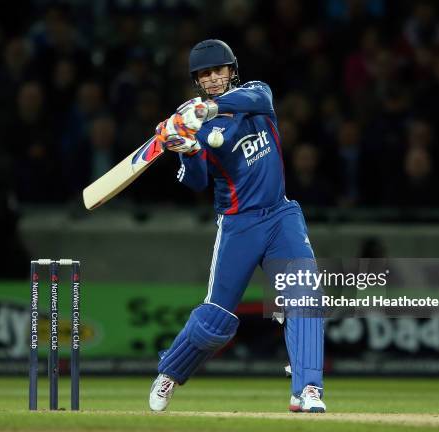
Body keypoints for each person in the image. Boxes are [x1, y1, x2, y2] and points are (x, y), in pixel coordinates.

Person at [148, 39, 326, 413]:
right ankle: (169, 371)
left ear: (231, 71)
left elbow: (257, 101)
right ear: (197, 79)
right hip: (238, 225)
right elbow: (196, 182)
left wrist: (207, 109)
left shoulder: (255, 94)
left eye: (218, 71)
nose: (212, 79)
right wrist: (189, 148)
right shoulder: (196, 128)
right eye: (204, 75)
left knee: (305, 297)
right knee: (217, 321)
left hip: (281, 216)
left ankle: (307, 389)